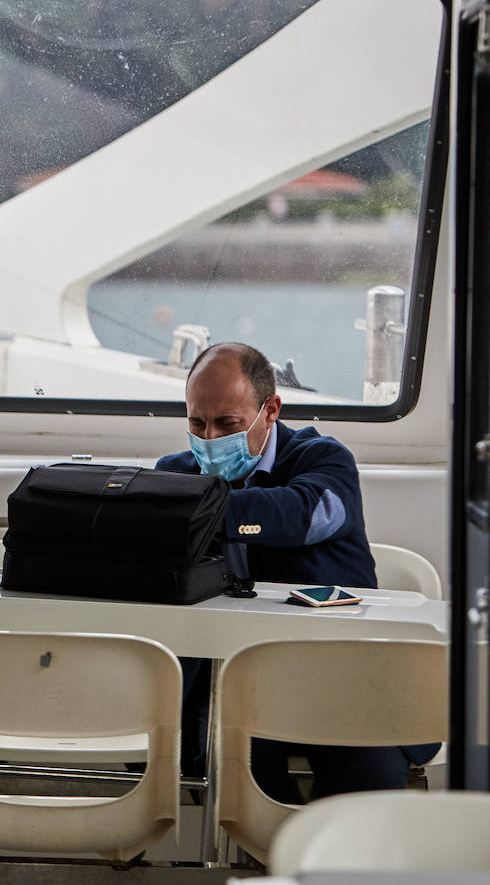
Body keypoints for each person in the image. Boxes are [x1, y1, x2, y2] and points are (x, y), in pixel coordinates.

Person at [156, 341, 433, 802]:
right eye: (196, 423)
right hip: (232, 685)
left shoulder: (323, 461)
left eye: (227, 424)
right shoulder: (177, 474)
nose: (209, 438)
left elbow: (305, 513)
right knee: (224, 769)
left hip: (340, 678)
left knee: (366, 773)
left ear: (271, 411)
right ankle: (266, 864)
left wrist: (189, 510)